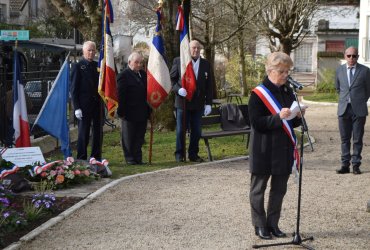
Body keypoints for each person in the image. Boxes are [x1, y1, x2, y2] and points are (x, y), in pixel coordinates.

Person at [248, 52, 304, 240]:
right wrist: (277, 117)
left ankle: (273, 224)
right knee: (258, 189)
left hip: (282, 148)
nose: (285, 75)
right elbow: (257, 122)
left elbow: (290, 123)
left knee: (279, 189)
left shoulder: (287, 91)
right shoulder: (258, 93)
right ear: (271, 70)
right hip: (263, 148)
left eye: (287, 71)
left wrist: (297, 116)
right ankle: (259, 225)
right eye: (282, 71)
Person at [170, 40, 213, 162]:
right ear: (188, 49)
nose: (196, 50)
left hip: (198, 104)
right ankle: (180, 154)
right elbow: (172, 80)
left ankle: (193, 154)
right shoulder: (179, 61)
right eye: (193, 48)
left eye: (198, 48)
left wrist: (209, 103)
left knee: (197, 131)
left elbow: (209, 86)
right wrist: (178, 90)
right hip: (183, 102)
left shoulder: (205, 64)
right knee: (180, 130)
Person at [335, 46, 370, 175]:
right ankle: (345, 165)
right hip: (343, 109)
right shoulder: (339, 70)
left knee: (357, 139)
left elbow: (368, 90)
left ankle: (356, 165)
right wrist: (346, 99)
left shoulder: (365, 71)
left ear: (358, 57)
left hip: (359, 109)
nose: (351, 58)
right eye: (349, 55)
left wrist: (359, 100)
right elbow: (338, 88)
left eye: (354, 56)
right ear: (345, 56)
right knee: (344, 139)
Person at [71, 41, 104, 161]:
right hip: (84, 106)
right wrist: (76, 107)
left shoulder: (98, 66)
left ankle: (96, 157)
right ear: (83, 51)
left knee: (98, 133)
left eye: (93, 50)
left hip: (97, 105)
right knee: (83, 133)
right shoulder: (78, 66)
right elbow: (74, 89)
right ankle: (81, 157)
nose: (91, 52)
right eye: (89, 50)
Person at [117, 52, 151, 165]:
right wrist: (121, 112)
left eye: (140, 62)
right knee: (128, 137)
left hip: (142, 111)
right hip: (129, 112)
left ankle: (138, 158)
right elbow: (121, 95)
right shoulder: (124, 75)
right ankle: (130, 158)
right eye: (136, 62)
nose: (139, 64)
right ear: (130, 62)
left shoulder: (143, 74)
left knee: (139, 137)